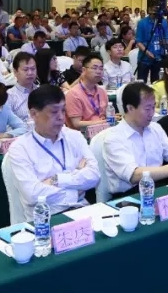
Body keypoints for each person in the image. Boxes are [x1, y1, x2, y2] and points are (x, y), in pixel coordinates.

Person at [6, 84, 100, 214]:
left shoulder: (75, 137)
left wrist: (55, 180)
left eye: (63, 110)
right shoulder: (20, 148)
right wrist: (76, 186)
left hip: (81, 210)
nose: (61, 117)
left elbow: (94, 176)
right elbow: (32, 195)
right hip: (46, 217)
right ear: (34, 114)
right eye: (54, 112)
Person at [65, 55, 109, 130]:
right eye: (94, 68)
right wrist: (104, 122)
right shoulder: (73, 94)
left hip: (103, 130)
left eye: (101, 68)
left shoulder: (102, 92)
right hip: (83, 133)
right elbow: (76, 124)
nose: (98, 71)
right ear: (84, 70)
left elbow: (106, 115)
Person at [135, 10, 168, 82]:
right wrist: (147, 53)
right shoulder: (142, 22)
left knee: (156, 82)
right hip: (144, 58)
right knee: (141, 83)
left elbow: (167, 38)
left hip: (159, 57)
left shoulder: (163, 22)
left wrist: (164, 42)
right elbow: (138, 41)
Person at [6, 52, 38, 123]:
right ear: (15, 72)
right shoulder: (9, 96)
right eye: (25, 70)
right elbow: (6, 124)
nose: (30, 73)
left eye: (33, 69)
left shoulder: (42, 91)